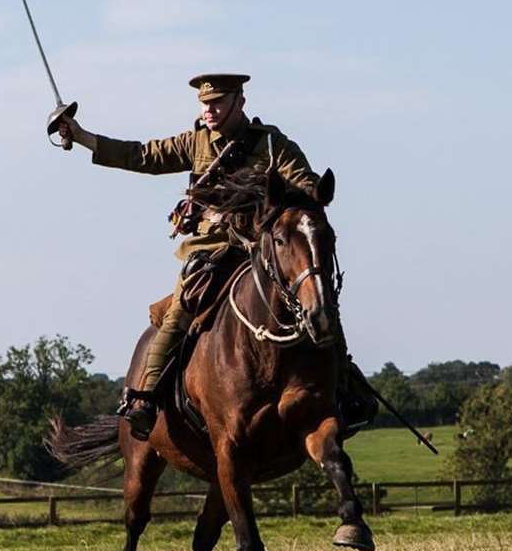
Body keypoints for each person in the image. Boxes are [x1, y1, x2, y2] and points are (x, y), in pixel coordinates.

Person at [58, 73, 375, 440]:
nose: (209, 110)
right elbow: (141, 155)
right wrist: (81, 137)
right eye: (204, 104)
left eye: (217, 102)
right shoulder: (196, 143)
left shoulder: (271, 144)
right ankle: (144, 397)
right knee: (182, 306)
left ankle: (345, 387)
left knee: (317, 297)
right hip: (211, 249)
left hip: (260, 246)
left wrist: (289, 198)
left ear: (239, 101)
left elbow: (304, 184)